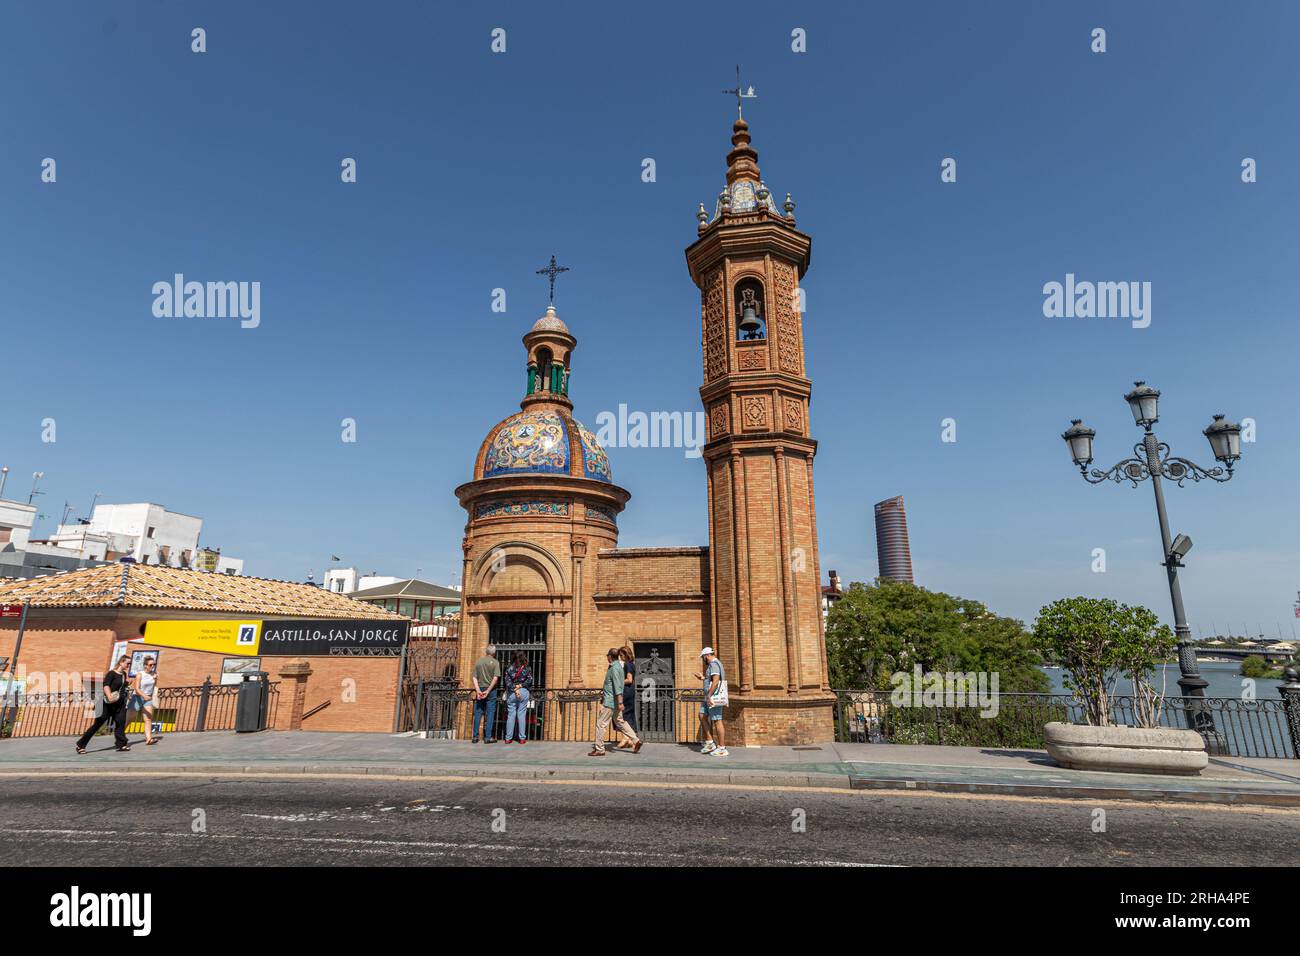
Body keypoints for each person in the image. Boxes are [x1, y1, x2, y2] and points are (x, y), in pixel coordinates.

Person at [76, 654, 132, 754]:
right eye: (128, 663)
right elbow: (106, 685)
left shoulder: (124, 674)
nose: (129, 665)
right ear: (121, 662)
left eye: (130, 663)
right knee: (98, 724)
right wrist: (109, 695)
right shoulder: (111, 673)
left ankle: (121, 744)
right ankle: (81, 745)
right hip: (106, 703)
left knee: (120, 722)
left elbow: (122, 687)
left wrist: (128, 688)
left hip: (119, 704)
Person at [589, 647, 641, 756]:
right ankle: (636, 741)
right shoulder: (618, 667)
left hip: (611, 702)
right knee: (620, 721)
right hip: (613, 700)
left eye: (607, 656)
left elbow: (617, 686)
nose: (607, 658)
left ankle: (599, 749)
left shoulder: (615, 668)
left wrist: (620, 702)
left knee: (601, 724)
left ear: (610, 657)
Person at [693, 646, 728, 757]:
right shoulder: (715, 664)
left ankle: (722, 748)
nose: (704, 660)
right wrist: (703, 678)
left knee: (717, 720)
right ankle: (710, 743)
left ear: (707, 656)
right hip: (709, 696)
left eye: (703, 657)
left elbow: (716, 681)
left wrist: (709, 695)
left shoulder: (713, 664)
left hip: (713, 697)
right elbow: (712, 679)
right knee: (702, 715)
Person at [127, 655, 161, 746]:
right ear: (145, 665)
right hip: (137, 698)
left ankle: (149, 739)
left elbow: (153, 686)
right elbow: (137, 688)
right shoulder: (140, 674)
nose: (152, 666)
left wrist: (155, 679)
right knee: (130, 719)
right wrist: (144, 696)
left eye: (154, 664)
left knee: (148, 719)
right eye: (150, 665)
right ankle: (119, 735)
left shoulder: (154, 674)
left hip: (148, 698)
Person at [471, 645, 501, 743]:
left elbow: (474, 677)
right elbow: (495, 678)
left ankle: (475, 737)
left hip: (480, 689)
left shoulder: (479, 662)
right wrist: (488, 690)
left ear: (486, 652)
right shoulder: (495, 662)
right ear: (494, 653)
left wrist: (478, 690)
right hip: (490, 690)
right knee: (490, 713)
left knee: (478, 712)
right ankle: (487, 737)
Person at [502, 651, 533, 744]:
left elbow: (507, 681)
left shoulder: (509, 668)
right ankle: (522, 738)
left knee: (511, 715)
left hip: (512, 693)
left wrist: (515, 689)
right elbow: (530, 681)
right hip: (523, 691)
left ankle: (508, 738)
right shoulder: (527, 668)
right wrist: (520, 686)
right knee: (521, 714)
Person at [616, 646, 638, 749]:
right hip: (630, 691)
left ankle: (626, 738)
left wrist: (617, 681)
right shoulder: (632, 665)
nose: (620, 657)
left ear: (626, 655)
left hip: (626, 692)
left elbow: (629, 680)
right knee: (628, 715)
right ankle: (629, 740)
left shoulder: (628, 665)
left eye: (621, 655)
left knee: (624, 715)